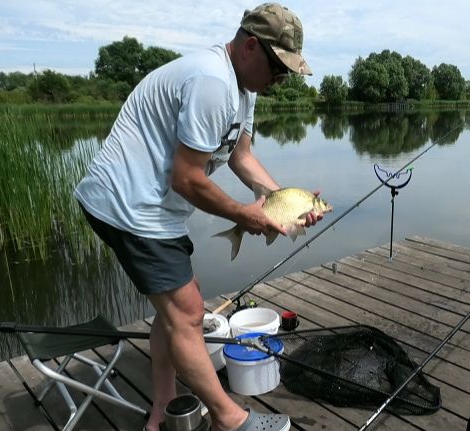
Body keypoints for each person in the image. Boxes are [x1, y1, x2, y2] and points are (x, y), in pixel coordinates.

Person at [74, 3, 317, 431]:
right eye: (278, 66)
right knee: (186, 311)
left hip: (155, 207)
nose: (280, 79)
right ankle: (230, 418)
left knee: (180, 306)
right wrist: (246, 214)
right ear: (249, 47)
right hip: (127, 204)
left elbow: (241, 157)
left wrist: (285, 204)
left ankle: (162, 409)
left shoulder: (244, 90)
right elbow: (187, 179)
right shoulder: (212, 81)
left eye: (287, 70)